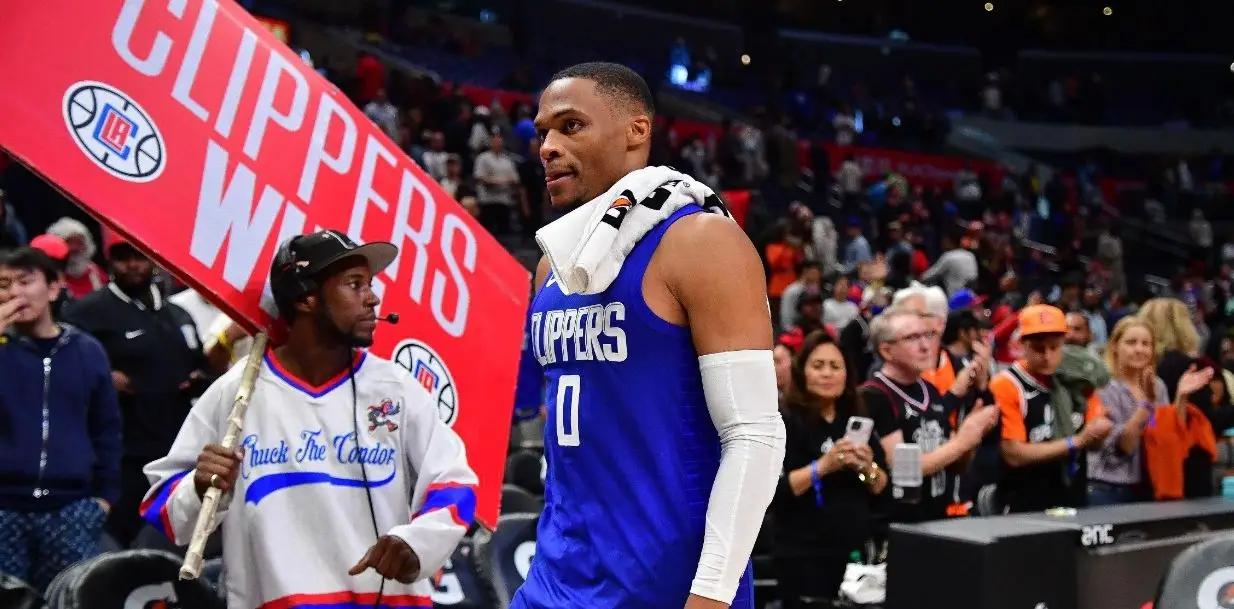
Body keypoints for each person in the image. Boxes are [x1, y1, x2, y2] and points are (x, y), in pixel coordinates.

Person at [517, 62, 785, 609]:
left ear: (637, 130)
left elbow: (754, 433)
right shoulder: (551, 267)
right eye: (542, 132)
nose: (547, 147)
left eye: (570, 126)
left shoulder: (700, 241)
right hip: (555, 577)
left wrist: (711, 595)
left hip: (665, 586)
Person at [141, 230, 478, 608]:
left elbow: (455, 483)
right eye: (355, 285)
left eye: (370, 285)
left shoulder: (397, 388)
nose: (373, 298)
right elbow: (165, 514)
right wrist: (198, 486)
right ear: (305, 297)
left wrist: (417, 543)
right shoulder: (235, 394)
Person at [61, 240, 211, 546]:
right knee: (118, 545)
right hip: (121, 452)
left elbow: (199, 364)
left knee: (169, 543)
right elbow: (61, 368)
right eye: (122, 258)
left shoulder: (176, 313)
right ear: (109, 261)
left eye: (139, 257)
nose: (132, 265)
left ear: (153, 259)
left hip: (173, 449)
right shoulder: (86, 312)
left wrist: (197, 377)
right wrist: (101, 376)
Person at [0, 248, 121, 591]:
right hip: (4, 507)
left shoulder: (86, 350)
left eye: (25, 281)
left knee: (69, 599)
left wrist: (104, 498)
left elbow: (107, 428)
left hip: (72, 509)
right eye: (4, 284)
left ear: (53, 289)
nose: (14, 293)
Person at [773, 331, 886, 606]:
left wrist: (866, 467)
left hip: (855, 553)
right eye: (818, 365)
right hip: (803, 552)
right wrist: (824, 466)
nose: (827, 373)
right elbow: (776, 490)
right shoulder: (784, 420)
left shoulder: (856, 418)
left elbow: (881, 484)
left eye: (835, 366)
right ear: (802, 371)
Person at [860, 307, 998, 522]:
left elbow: (955, 464)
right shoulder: (874, 395)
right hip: (900, 523)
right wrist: (961, 442)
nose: (925, 346)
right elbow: (902, 468)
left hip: (939, 517)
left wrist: (972, 437)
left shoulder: (929, 390)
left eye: (928, 335)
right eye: (912, 338)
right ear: (887, 351)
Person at [992, 305, 1115, 513]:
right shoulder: (1007, 384)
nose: (1047, 356)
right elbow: (1014, 453)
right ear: (1022, 344)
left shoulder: (1077, 380)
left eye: (1054, 347)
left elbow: (1094, 441)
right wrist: (1076, 442)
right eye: (1038, 348)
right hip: (1025, 501)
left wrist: (1099, 432)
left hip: (1073, 496)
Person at [1088, 317, 1213, 506]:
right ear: (1115, 346)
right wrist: (1146, 404)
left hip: (1148, 485)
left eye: (1146, 344)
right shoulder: (1103, 387)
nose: (1139, 349)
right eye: (1131, 342)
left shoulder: (1158, 386)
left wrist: (1181, 396)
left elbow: (1162, 433)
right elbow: (1126, 446)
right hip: (1109, 488)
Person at [473, 130, 522, 237]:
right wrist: (500, 182)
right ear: (490, 142)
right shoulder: (483, 158)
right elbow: (480, 178)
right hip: (488, 201)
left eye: (500, 141)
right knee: (488, 234)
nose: (498, 144)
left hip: (504, 200)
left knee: (504, 234)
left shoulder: (507, 160)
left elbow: (515, 180)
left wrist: (499, 182)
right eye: (495, 141)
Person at [45, 217, 107, 299]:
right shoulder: (49, 278)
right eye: (69, 242)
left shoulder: (97, 274)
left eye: (79, 242)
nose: (75, 248)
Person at [779, 263, 821, 332]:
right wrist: (791, 330)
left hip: (812, 328)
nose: (817, 276)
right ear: (805, 271)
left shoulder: (815, 289)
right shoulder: (792, 291)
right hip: (794, 330)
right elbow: (786, 314)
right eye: (814, 272)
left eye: (818, 273)